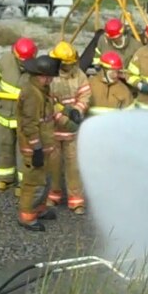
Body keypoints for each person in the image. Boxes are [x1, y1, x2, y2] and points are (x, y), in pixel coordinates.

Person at [17, 54, 62, 232]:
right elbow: (29, 124)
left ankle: (38, 208)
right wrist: (36, 148)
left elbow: (49, 114)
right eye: (48, 77)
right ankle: (27, 216)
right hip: (34, 148)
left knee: (43, 180)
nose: (51, 80)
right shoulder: (31, 94)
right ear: (39, 75)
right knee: (33, 183)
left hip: (44, 145)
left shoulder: (42, 90)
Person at [46, 41, 91, 215]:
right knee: (54, 165)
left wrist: (78, 111)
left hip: (73, 132)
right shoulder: (49, 76)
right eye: (65, 64)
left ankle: (76, 200)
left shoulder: (79, 75)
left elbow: (85, 94)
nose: (68, 67)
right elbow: (48, 102)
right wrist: (62, 118)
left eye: (70, 64)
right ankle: (54, 195)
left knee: (74, 165)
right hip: (54, 129)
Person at [0, 37, 37, 192]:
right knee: (4, 146)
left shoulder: (37, 70)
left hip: (23, 119)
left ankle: (23, 183)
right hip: (3, 114)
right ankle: (4, 178)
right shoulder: (4, 61)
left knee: (23, 152)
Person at [87, 51, 134, 116]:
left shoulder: (124, 90)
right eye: (112, 73)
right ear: (103, 69)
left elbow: (129, 115)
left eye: (117, 72)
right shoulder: (88, 84)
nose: (115, 75)